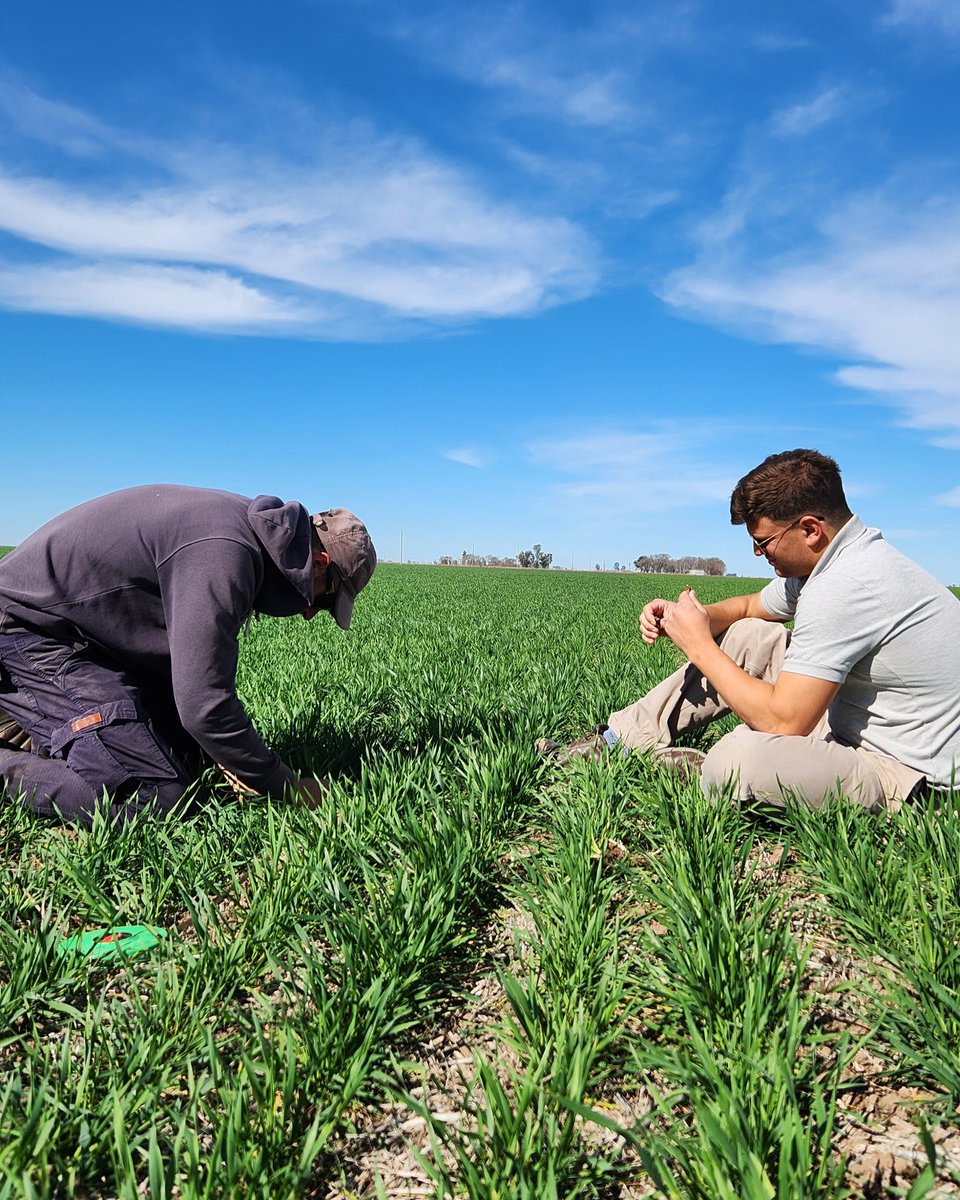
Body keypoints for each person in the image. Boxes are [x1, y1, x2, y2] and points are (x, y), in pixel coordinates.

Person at [539, 449, 960, 810]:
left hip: (908, 775)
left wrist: (699, 646)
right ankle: (615, 743)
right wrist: (695, 618)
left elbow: (784, 722)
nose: (758, 552)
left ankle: (708, 772)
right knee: (748, 634)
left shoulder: (848, 585)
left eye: (764, 541)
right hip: (849, 723)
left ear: (811, 529)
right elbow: (748, 607)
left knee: (737, 757)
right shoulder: (836, 561)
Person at [0, 485, 376, 824]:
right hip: (26, 627)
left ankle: (45, 728)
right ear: (321, 564)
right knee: (158, 794)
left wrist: (227, 752)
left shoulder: (248, 537)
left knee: (182, 754)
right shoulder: (226, 552)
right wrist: (287, 787)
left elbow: (185, 681)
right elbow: (204, 705)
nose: (310, 613)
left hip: (79, 636)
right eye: (325, 600)